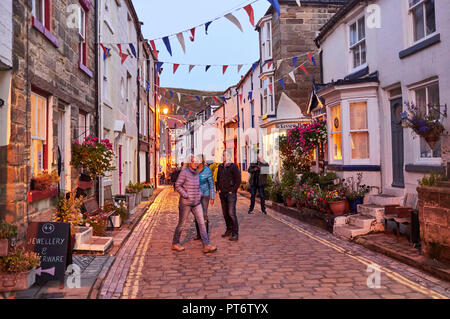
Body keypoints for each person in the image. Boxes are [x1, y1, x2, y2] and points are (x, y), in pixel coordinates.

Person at [172, 155, 217, 254]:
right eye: (193, 161)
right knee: (182, 224)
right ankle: (175, 243)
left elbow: (198, 185)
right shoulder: (184, 173)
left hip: (196, 202)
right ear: (189, 162)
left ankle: (206, 245)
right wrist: (185, 194)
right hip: (186, 203)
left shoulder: (196, 172)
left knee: (201, 222)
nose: (196, 163)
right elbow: (177, 185)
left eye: (197, 162)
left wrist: (199, 193)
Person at [216, 150, 241, 241]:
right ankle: (229, 230)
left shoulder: (234, 166)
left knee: (231, 213)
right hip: (222, 193)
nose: (223, 156)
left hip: (231, 194)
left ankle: (235, 233)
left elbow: (238, 180)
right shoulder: (220, 166)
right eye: (222, 155)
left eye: (224, 155)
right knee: (225, 213)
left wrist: (232, 190)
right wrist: (218, 188)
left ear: (229, 156)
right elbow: (218, 178)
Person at [194, 156, 215, 240]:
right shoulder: (194, 170)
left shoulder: (207, 171)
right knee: (196, 214)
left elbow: (211, 185)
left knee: (204, 214)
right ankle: (199, 234)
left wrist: (212, 197)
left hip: (205, 195)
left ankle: (204, 234)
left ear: (202, 161)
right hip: (196, 195)